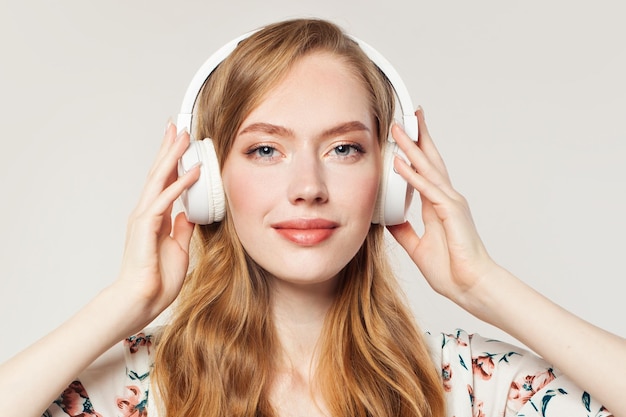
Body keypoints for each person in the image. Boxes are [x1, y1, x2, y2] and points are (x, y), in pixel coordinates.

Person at [0, 18, 623, 417]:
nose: (308, 187)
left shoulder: (467, 383)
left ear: (387, 180)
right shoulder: (134, 389)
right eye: (266, 149)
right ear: (209, 181)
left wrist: (482, 285)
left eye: (344, 148)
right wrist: (125, 302)